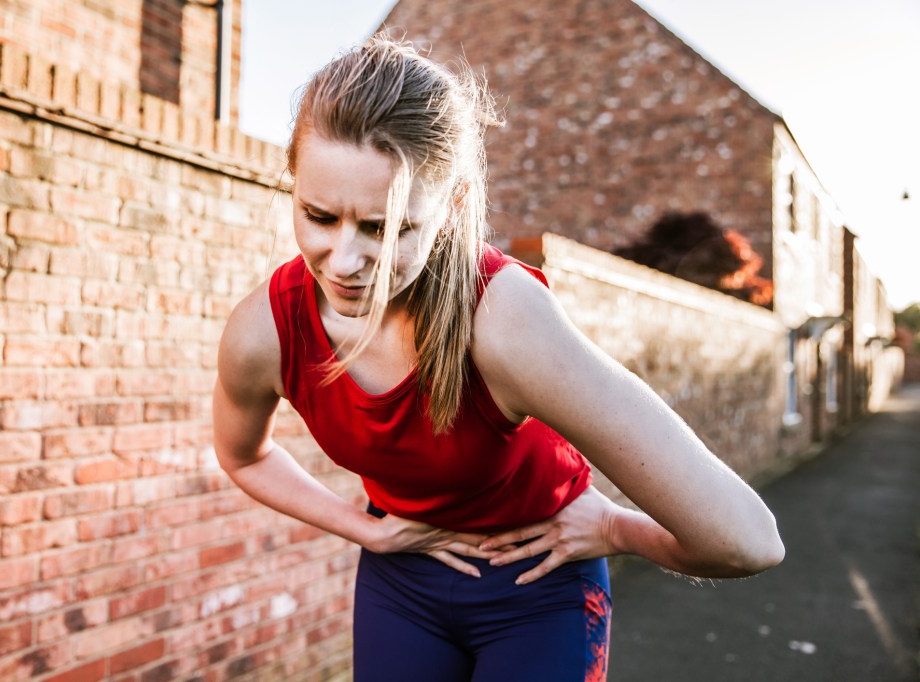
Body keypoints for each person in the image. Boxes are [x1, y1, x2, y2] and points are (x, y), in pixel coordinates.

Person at [212, 35, 784, 682]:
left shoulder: (505, 320)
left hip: (540, 592)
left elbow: (746, 539)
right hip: (400, 585)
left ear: (453, 206)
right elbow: (243, 453)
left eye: (386, 227)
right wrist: (363, 528)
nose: (344, 263)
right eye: (318, 216)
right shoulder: (266, 329)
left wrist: (619, 530)